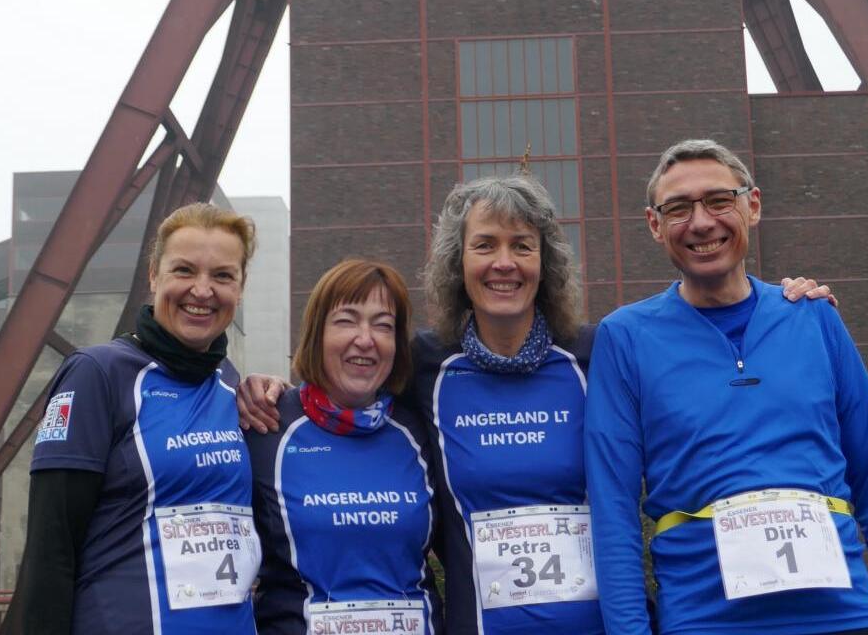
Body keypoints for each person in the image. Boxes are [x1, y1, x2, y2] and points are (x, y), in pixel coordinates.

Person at [240, 173, 832, 635]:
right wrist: (271, 391)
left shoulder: (601, 353)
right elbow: (348, 386)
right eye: (485, 245)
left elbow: (696, 349)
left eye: (522, 246)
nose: (505, 262)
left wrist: (780, 303)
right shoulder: (422, 364)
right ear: (459, 264)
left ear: (544, 263)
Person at [584, 139, 868, 635]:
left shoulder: (814, 317)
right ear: (655, 225)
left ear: (752, 206)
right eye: (679, 208)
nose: (702, 222)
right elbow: (612, 511)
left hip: (846, 618)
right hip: (705, 622)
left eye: (719, 200)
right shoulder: (624, 337)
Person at [10, 202, 261, 635]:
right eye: (184, 270)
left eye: (222, 275)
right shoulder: (97, 373)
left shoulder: (230, 382)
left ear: (240, 287)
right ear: (153, 275)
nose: (202, 291)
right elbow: (50, 550)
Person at [247, 258, 442, 635]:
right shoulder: (265, 426)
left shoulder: (421, 427)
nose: (365, 339)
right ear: (316, 332)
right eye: (346, 320)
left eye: (383, 325)